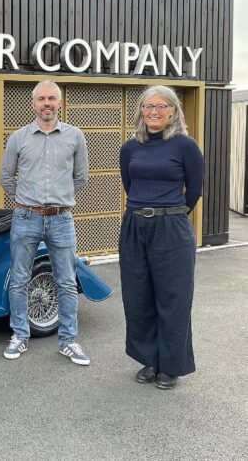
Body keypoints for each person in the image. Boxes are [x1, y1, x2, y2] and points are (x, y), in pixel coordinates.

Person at [119, 85, 204, 390]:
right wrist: (144, 213)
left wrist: (169, 213)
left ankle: (171, 365)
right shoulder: (130, 148)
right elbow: (130, 185)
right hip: (134, 226)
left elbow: (194, 191)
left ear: (172, 111)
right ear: (141, 111)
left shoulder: (185, 146)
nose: (154, 112)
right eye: (148, 106)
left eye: (161, 106)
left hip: (171, 227)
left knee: (173, 298)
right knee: (138, 296)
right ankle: (149, 359)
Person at [0, 80, 90, 365]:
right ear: (33, 104)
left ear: (60, 103)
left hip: (62, 219)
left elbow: (81, 178)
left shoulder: (75, 137)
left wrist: (59, 199)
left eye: (52, 98)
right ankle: (20, 336)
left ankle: (68, 341)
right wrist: (26, 199)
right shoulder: (18, 138)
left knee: (65, 281)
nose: (47, 103)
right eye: (42, 99)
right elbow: (6, 178)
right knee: (18, 280)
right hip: (25, 217)